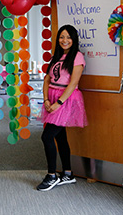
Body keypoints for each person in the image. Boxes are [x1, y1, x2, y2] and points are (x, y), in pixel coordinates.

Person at [37, 24, 88, 192]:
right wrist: (45, 100)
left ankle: (52, 175)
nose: (64, 40)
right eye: (61, 37)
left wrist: (58, 103)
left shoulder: (77, 57)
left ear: (74, 40)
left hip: (65, 100)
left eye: (68, 37)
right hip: (51, 97)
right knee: (60, 137)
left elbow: (73, 83)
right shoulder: (57, 55)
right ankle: (68, 173)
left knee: (47, 136)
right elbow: (47, 79)